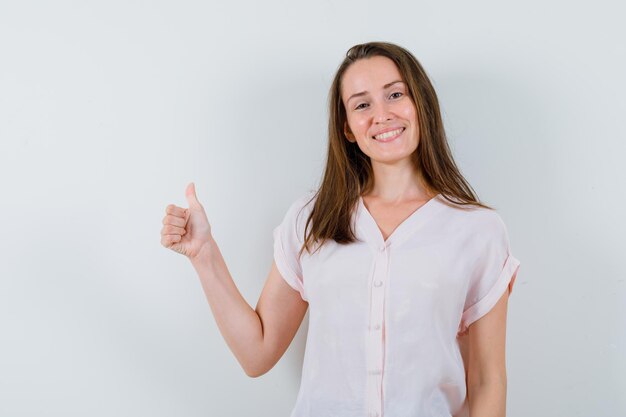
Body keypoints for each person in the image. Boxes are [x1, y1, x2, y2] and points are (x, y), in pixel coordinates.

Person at [160, 41, 521, 417]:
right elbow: (257, 353)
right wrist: (204, 255)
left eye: (395, 94)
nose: (381, 115)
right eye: (362, 104)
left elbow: (487, 379)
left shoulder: (478, 230)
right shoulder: (311, 220)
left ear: (421, 105)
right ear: (347, 128)